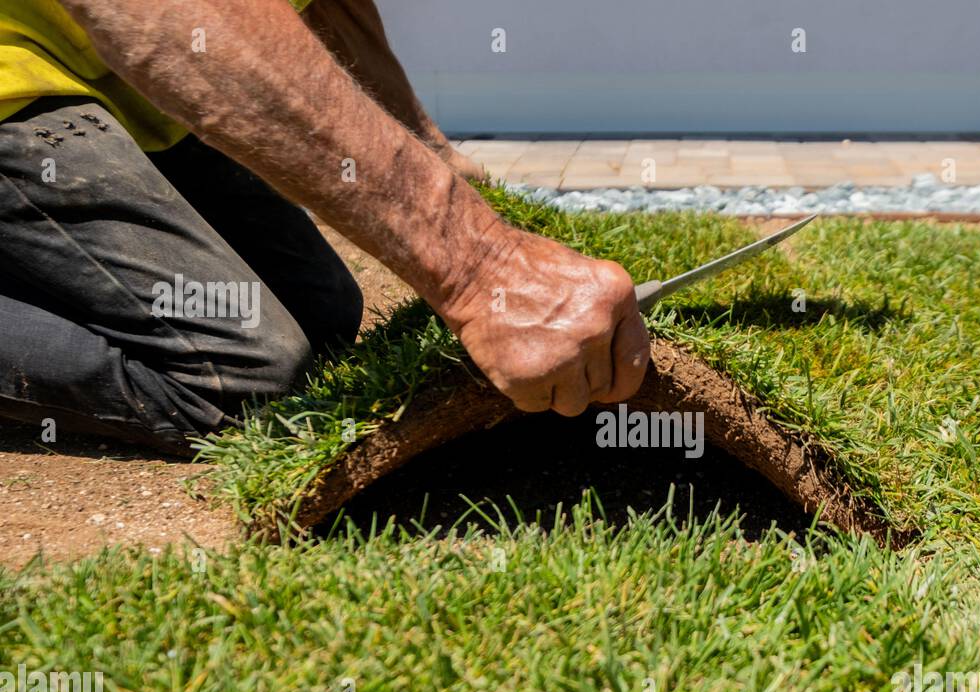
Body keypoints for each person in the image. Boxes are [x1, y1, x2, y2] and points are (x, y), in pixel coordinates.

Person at [0, 0, 650, 454]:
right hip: (24, 87)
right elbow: (164, 17)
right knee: (238, 375)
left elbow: (328, 8)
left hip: (103, 82)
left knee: (323, 313)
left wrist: (432, 152)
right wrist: (477, 266)